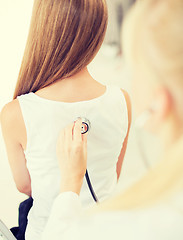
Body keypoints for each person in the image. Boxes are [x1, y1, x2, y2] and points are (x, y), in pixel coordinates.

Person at [41, 0, 183, 239]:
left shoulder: (129, 223)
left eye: (130, 65)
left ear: (160, 102)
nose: (122, 73)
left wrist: (70, 180)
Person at [0, 1, 131, 240]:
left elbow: (26, 187)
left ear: (43, 29)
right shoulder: (122, 100)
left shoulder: (15, 112)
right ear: (98, 31)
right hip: (107, 231)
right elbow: (114, 174)